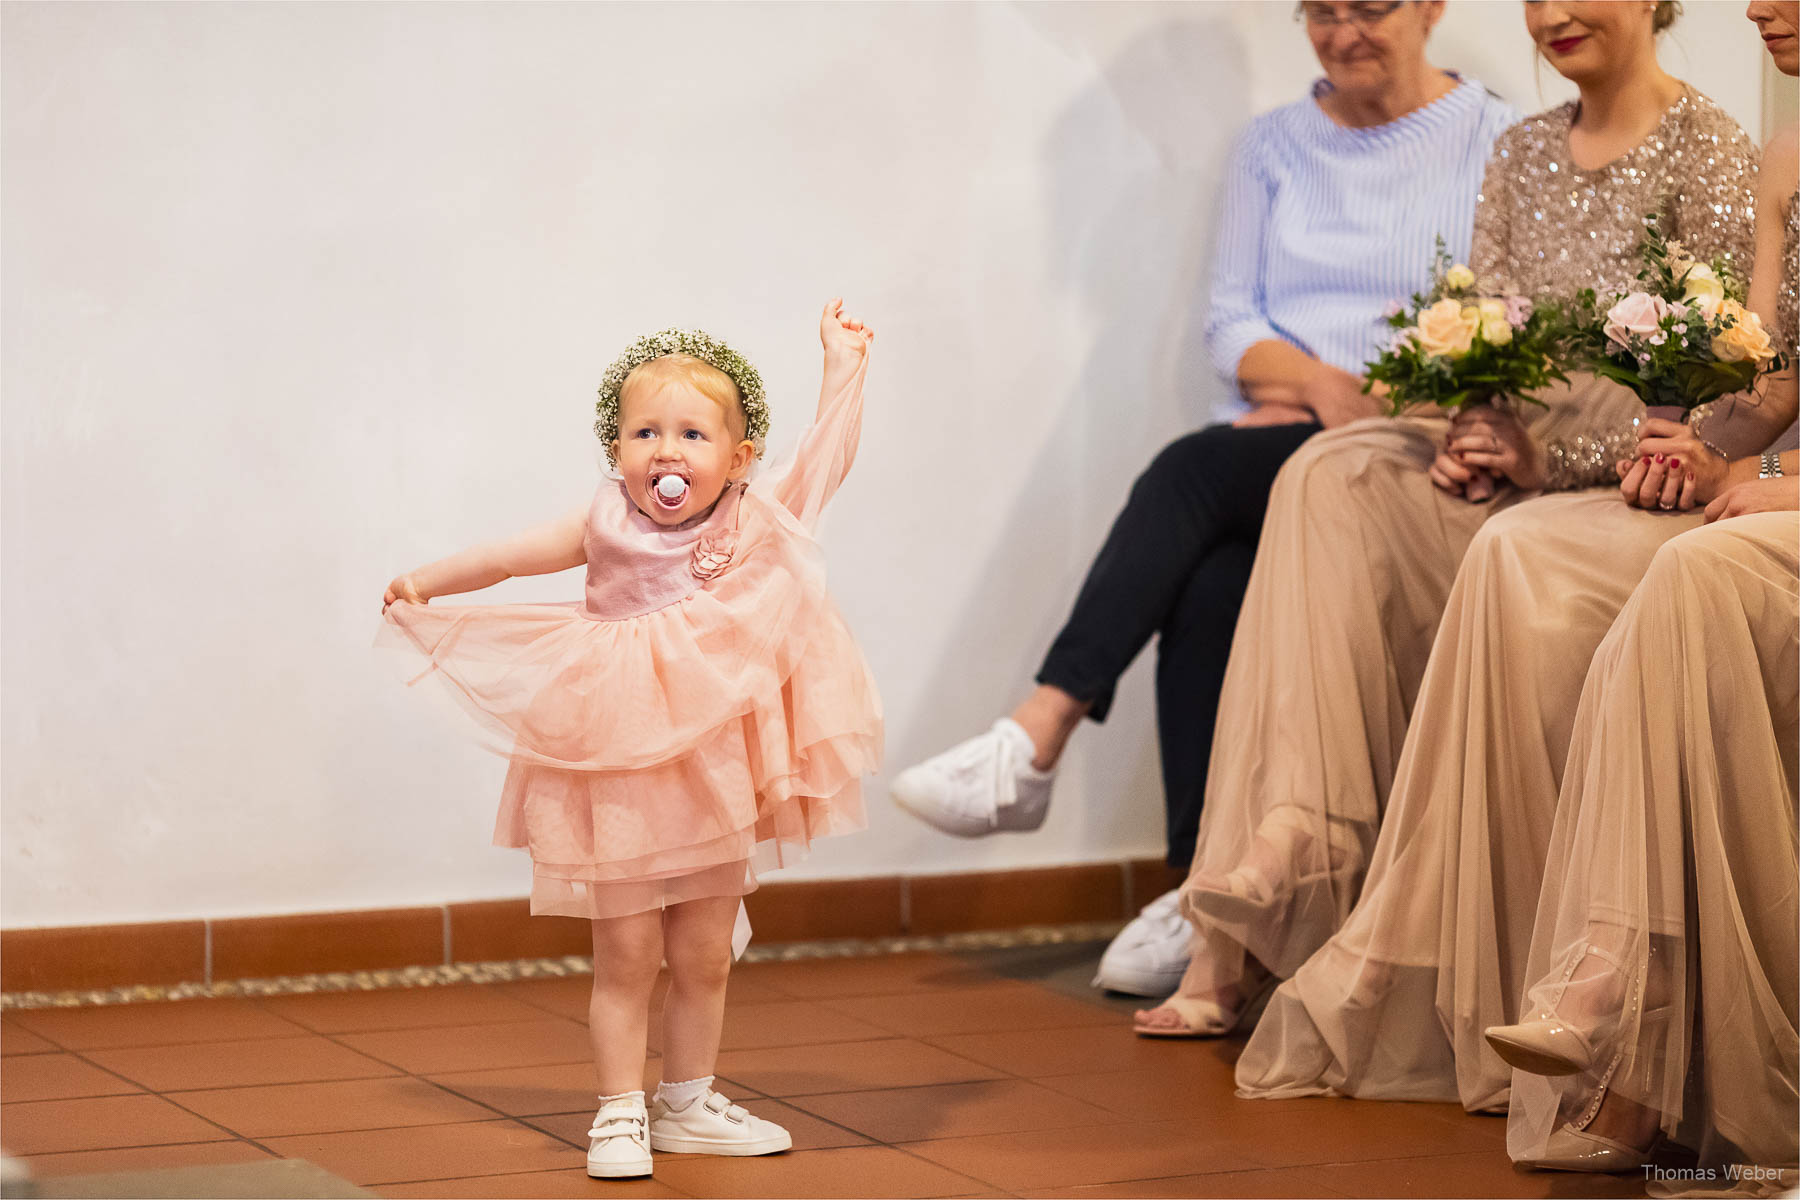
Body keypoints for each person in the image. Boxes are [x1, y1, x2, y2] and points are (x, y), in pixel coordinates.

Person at [1139, 0, 1759, 1043]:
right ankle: (1296, 827)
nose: (1554, 14)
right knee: (1329, 472)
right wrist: (1474, 423)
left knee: (1477, 536)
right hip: (1508, 461)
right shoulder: (1519, 151)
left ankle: (1331, 924)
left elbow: (1724, 394)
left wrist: (1549, 453)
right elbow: (1492, 333)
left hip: (1621, 476)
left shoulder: (1715, 151)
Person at [889, 0, 1517, 999]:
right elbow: (1233, 325)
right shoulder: (1273, 145)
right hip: (1296, 431)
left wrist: (1353, 402)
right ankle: (1200, 889)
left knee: (1189, 470)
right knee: (1210, 581)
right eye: (1321, 9)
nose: (1343, 32)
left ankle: (1037, 735)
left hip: (1415, 446)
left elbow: (1499, 329)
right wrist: (1317, 389)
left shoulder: (1494, 138)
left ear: (1432, 6)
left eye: (1371, 8)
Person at [378, 302, 881, 1179]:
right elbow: (506, 556)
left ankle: (685, 1100)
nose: (668, 451)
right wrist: (429, 580)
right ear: (616, 449)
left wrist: (844, 369)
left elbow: (825, 465)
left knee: (701, 952)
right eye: (645, 431)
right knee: (628, 953)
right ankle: (617, 1110)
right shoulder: (603, 520)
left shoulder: (752, 521)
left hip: (708, 775)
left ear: (738, 457)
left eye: (693, 433)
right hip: (617, 770)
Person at [1481, 1, 1799, 1174]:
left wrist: (1773, 477)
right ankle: (1631, 1037)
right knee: (1541, 550)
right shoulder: (1788, 155)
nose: (1759, 4)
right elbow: (1766, 377)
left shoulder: (1722, 140)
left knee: (1695, 576)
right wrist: (1706, 442)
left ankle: (1613, 991)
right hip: (1783, 485)